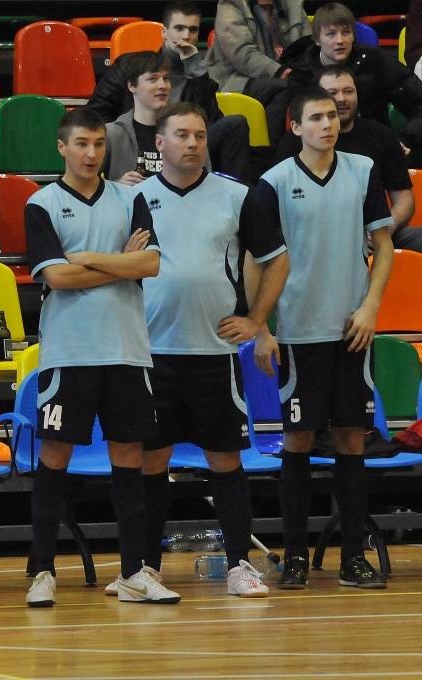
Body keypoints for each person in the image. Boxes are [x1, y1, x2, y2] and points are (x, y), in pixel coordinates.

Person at [114, 102, 288, 600]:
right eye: (182, 135)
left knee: (225, 459)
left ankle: (238, 565)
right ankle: (143, 568)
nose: (192, 143)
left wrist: (256, 321)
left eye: (199, 135)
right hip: (150, 354)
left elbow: (277, 262)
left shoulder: (238, 196)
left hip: (213, 353)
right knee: (151, 461)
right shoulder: (132, 198)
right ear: (159, 145)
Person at [23, 106, 171, 607]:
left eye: (99, 144)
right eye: (82, 144)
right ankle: (42, 570)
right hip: (69, 350)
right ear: (62, 148)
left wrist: (86, 257)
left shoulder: (132, 198)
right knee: (54, 457)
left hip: (127, 350)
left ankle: (133, 573)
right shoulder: (41, 204)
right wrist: (118, 264)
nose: (91, 153)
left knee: (129, 458)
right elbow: (56, 278)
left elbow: (150, 264)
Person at [253, 87, 394, 590]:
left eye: (331, 115)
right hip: (297, 331)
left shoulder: (362, 170)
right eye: (315, 117)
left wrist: (372, 307)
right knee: (298, 439)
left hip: (351, 329)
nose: (327, 124)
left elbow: (383, 244)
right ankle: (294, 556)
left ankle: (353, 558)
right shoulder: (273, 183)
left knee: (353, 438)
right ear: (294, 127)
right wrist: (262, 327)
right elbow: (257, 260)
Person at [88, 2, 252, 182]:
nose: (186, 36)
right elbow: (94, 114)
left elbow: (209, 121)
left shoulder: (199, 76)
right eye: (179, 28)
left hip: (184, 139)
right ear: (164, 32)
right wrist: (123, 137)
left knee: (236, 124)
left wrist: (194, 68)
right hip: (138, 136)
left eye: (193, 30)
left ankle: (236, 200)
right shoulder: (131, 66)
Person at [275, 66, 420, 252]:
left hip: (373, 233)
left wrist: (383, 229)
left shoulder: (382, 136)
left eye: (348, 91)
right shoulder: (295, 140)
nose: (342, 98)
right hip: (314, 238)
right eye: (332, 93)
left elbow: (404, 199)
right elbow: (280, 207)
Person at [281, 3, 422, 166]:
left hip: (377, 145)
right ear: (317, 39)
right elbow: (299, 127)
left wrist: (405, 139)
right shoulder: (302, 74)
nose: (340, 40)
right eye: (331, 34)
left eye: (346, 33)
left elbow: (419, 102)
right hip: (321, 151)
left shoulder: (376, 62)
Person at [206, 0, 311, 143]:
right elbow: (242, 53)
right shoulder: (231, 5)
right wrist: (279, 71)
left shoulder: (293, 5)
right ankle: (268, 152)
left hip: (287, 74)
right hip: (237, 78)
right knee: (284, 89)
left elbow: (308, 46)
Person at [103, 52, 207, 183]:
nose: (163, 86)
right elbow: (85, 186)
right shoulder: (112, 134)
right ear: (132, 86)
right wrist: (116, 187)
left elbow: (205, 180)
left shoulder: (188, 130)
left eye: (166, 78)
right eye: (153, 79)